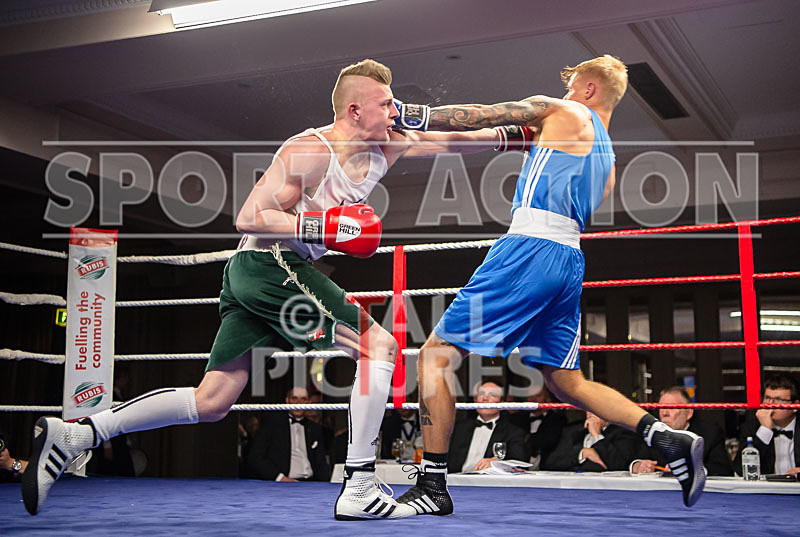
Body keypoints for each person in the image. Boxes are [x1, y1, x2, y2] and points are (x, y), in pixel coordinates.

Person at [21, 58, 504, 519]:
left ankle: (78, 433)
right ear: (355, 109)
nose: (394, 111)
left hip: (255, 273)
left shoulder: (388, 144)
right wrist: (328, 227)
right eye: (385, 103)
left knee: (211, 402)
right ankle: (358, 483)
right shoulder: (311, 150)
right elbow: (250, 216)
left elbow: (449, 144)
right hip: (269, 261)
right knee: (378, 346)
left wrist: (516, 135)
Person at [392, 55, 707, 515]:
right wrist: (413, 142)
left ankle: (433, 485)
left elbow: (488, 113)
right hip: (569, 260)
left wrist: (408, 113)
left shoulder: (564, 112)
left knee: (436, 355)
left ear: (588, 90)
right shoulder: (607, 158)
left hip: (529, 249)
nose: (560, 94)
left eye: (570, 86)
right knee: (565, 380)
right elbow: (485, 137)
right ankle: (665, 436)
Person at [631, 387, 733, 476]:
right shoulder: (651, 432)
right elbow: (634, 460)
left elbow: (723, 470)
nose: (664, 413)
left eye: (671, 408)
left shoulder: (709, 433)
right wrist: (637, 466)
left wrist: (693, 470)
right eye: (661, 407)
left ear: (688, 413)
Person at [244, 387, 331, 482]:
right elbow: (255, 457)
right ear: (287, 400)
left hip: (311, 483)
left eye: (303, 399)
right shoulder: (272, 425)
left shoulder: (315, 428)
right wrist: (280, 478)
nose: (298, 403)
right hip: (282, 484)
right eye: (294, 398)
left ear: (309, 402)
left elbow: (321, 462)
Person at [447, 382, 526, 473]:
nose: (485, 398)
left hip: (489, 483)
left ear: (501, 403)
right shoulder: (458, 428)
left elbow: (519, 463)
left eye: (492, 395)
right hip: (455, 481)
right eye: (481, 394)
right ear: (475, 400)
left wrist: (497, 463)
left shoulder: (513, 432)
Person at [733, 374, 799, 475]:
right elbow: (739, 470)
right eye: (767, 398)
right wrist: (765, 430)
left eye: (779, 400)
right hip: (766, 489)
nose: (770, 404)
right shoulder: (751, 428)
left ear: (795, 406)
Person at [542, 412, 639, 472]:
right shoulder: (572, 431)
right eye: (588, 408)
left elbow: (619, 466)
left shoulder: (624, 433)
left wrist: (597, 435)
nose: (591, 413)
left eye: (596, 409)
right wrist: (582, 454)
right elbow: (550, 463)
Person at [507, 385, 566, 469]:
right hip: (518, 468)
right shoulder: (516, 418)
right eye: (530, 396)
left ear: (548, 400)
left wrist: (529, 440)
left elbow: (551, 441)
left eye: (538, 396)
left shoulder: (557, 419)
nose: (532, 399)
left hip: (548, 468)